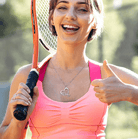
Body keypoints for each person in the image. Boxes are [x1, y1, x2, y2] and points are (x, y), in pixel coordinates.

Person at [0, 0, 138, 138]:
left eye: (82, 9)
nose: (70, 15)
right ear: (52, 18)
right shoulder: (26, 77)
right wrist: (18, 122)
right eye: (62, 7)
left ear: (95, 20)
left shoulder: (108, 74)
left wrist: (130, 93)